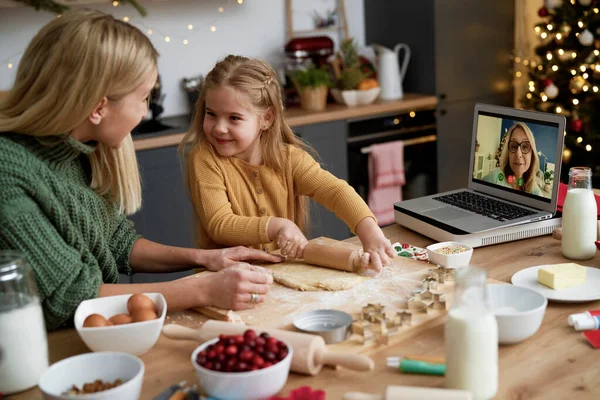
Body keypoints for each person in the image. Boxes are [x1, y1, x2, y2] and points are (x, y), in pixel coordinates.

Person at [0, 10, 281, 331]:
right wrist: (203, 289)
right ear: (99, 107)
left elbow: (116, 241)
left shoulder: (75, 150)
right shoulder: (8, 171)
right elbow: (71, 297)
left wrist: (205, 259)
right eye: (144, 97)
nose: (146, 110)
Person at [180, 55, 395, 272]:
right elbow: (220, 224)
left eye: (234, 118)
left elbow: (335, 191)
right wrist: (277, 226)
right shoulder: (205, 158)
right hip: (222, 280)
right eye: (211, 114)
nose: (219, 128)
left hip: (282, 272)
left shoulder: (289, 159)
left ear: (266, 118)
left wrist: (370, 231)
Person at [482, 122, 542, 196]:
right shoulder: (494, 178)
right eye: (513, 146)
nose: (518, 154)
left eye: (525, 147)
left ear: (532, 155)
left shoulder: (536, 192)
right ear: (508, 153)